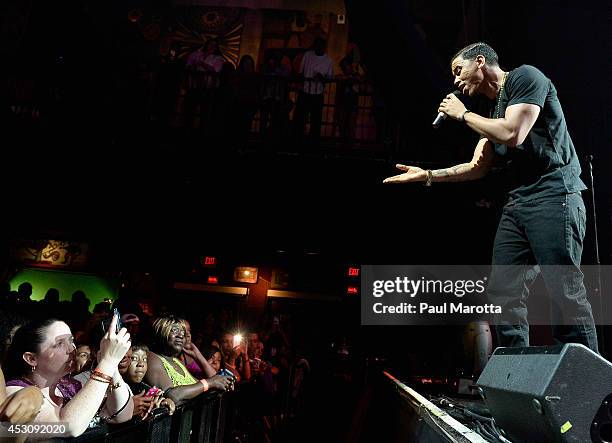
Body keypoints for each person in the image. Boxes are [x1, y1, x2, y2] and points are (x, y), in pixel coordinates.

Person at [383, 42, 598, 352]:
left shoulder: (525, 78)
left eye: (459, 70)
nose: (455, 80)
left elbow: (514, 133)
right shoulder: (492, 112)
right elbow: (476, 167)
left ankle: (588, 382)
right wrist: (427, 176)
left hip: (554, 195)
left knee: (563, 288)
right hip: (518, 204)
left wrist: (463, 114)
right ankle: (516, 369)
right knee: (503, 292)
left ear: (480, 62)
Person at [3, 315, 133, 437]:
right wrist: (107, 362)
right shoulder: (15, 392)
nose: (72, 349)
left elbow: (120, 416)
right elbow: (67, 427)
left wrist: (112, 364)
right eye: (60, 343)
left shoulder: (70, 386)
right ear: (31, 358)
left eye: (71, 340)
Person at [145, 315, 234, 406]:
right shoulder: (152, 358)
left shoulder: (176, 362)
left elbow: (199, 388)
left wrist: (221, 383)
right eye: (175, 330)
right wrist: (211, 382)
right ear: (160, 332)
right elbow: (171, 396)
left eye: (183, 333)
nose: (180, 335)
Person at [294, 37, 333, 148]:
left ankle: (312, 144)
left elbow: (329, 78)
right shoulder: (307, 55)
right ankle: (299, 142)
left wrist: (322, 78)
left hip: (317, 93)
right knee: (301, 119)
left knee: (315, 121)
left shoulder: (328, 60)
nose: (317, 47)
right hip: (305, 91)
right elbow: (301, 72)